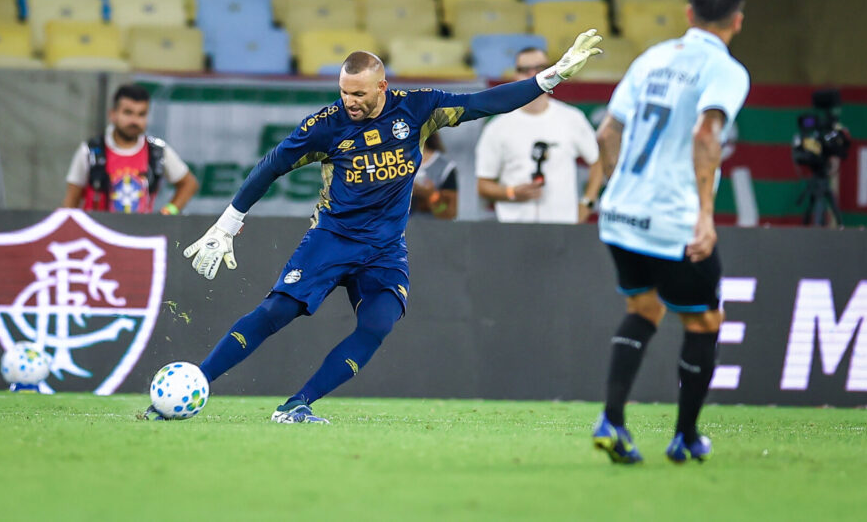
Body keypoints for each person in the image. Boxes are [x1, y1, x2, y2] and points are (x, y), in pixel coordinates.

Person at [160, 30, 603, 424]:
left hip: (385, 248)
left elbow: (483, 103)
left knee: (378, 324)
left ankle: (297, 404)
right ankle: (199, 380)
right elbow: (271, 166)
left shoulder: (417, 110)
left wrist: (551, 77)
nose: (349, 102)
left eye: (357, 94)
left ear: (381, 86)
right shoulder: (326, 126)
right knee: (278, 312)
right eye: (343, 92)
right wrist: (229, 222)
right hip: (331, 238)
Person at [591, 0, 750, 464]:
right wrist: (705, 216)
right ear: (737, 21)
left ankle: (612, 420)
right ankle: (685, 436)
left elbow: (606, 134)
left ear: (688, 14)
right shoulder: (726, 70)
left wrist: (618, 189)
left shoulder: (651, 58)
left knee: (644, 309)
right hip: (672, 216)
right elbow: (707, 134)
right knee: (703, 321)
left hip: (621, 211)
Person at [475, 47, 603, 224]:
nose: (533, 74)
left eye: (540, 68)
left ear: (552, 71)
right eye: (524, 70)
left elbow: (597, 162)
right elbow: (483, 185)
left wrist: (586, 204)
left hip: (562, 229)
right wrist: (512, 192)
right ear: (515, 76)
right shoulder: (497, 127)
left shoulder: (572, 118)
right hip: (514, 229)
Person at [62, 84, 198, 215]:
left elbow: (189, 184)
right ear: (113, 114)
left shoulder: (157, 151)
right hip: (98, 234)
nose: (134, 121)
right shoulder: (90, 152)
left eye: (141, 114)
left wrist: (168, 212)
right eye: (128, 113)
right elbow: (71, 202)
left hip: (141, 236)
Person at [410, 132, 457, 219]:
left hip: (432, 229)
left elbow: (449, 214)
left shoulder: (444, 168)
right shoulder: (388, 165)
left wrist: (432, 195)